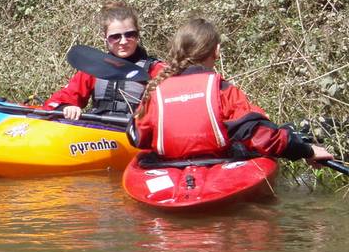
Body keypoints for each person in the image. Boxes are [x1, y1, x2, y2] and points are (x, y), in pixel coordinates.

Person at [129, 17, 332, 164]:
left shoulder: (156, 89)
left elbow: (137, 137)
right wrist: (306, 150)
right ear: (216, 51)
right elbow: (262, 137)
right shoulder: (222, 90)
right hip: (218, 165)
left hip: (169, 168)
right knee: (276, 132)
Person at [44, 2, 166, 120]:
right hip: (99, 135)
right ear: (106, 39)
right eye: (115, 37)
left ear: (138, 35)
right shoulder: (95, 67)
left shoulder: (157, 69)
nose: (123, 41)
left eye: (130, 34)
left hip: (136, 135)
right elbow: (60, 99)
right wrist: (67, 107)